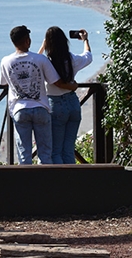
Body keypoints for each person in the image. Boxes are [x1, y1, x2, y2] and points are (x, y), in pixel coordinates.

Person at [0, 26, 76, 165]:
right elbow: (56, 82)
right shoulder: (40, 59)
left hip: (19, 109)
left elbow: (3, 83)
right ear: (28, 40)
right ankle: (44, 184)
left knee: (24, 154)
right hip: (41, 108)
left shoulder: (5, 61)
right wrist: (72, 86)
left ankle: (27, 184)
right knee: (45, 154)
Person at [38, 27, 93, 164]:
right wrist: (85, 40)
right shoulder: (72, 58)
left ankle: (60, 182)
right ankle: (71, 181)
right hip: (73, 103)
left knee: (56, 150)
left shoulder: (45, 61)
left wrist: (42, 46)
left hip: (55, 105)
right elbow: (88, 56)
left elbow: (34, 62)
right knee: (68, 149)